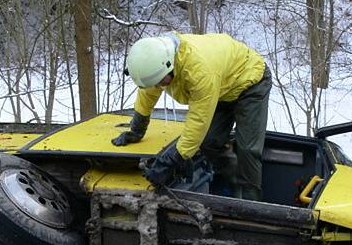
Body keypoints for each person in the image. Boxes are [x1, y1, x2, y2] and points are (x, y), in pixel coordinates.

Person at [112, 32, 272, 201]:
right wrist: (137, 129)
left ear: (170, 65)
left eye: (162, 82)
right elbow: (148, 92)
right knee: (209, 142)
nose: (159, 86)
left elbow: (198, 121)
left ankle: (250, 200)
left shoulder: (199, 71)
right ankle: (232, 179)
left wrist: (172, 159)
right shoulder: (156, 58)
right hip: (221, 88)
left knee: (247, 149)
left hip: (251, 81)